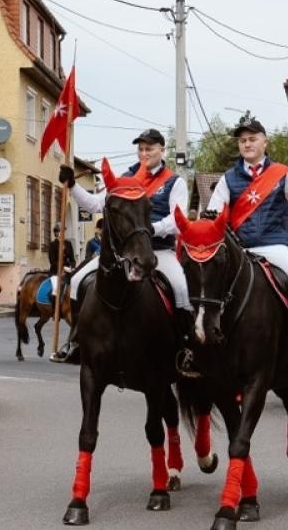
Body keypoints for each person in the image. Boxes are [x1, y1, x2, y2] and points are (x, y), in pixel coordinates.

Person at [202, 114, 288, 370]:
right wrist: (210, 217)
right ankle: (203, 343)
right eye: (242, 141)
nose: (247, 144)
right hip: (241, 248)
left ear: (265, 142)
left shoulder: (282, 173)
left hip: (275, 245)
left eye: (252, 139)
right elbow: (213, 211)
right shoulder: (228, 178)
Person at [58, 128, 192, 363]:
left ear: (162, 149)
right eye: (140, 148)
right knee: (78, 280)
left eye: (149, 148)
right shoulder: (124, 179)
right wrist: (72, 187)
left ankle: (186, 346)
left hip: (158, 250)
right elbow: (94, 205)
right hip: (123, 254)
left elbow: (177, 219)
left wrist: (152, 229)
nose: (144, 152)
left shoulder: (173, 181)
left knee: (182, 288)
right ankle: (76, 341)